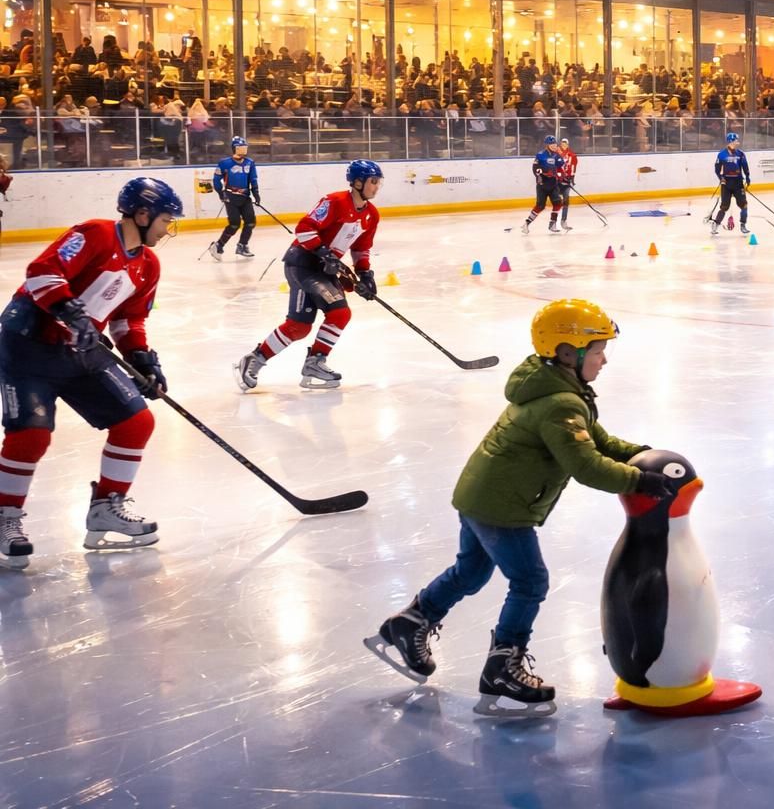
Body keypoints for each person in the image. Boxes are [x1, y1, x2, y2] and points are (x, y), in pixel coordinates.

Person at [365, 299, 669, 715]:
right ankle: (503, 666)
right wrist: (640, 480)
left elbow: (597, 439)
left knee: (470, 571)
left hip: (480, 496)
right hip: (502, 507)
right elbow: (586, 465)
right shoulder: (561, 403)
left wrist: (641, 454)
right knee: (530, 582)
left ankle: (410, 622)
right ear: (567, 351)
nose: (604, 360)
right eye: (598, 351)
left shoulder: (553, 386)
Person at [0, 178, 181, 569]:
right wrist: (70, 312)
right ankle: (5, 515)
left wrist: (142, 357)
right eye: (166, 220)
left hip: (81, 351)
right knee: (30, 436)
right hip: (29, 345)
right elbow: (42, 272)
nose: (169, 230)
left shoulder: (148, 265)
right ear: (142, 213)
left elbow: (129, 318)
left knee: (136, 422)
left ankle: (106, 508)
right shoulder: (96, 234)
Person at [235, 160, 383, 392]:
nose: (376, 187)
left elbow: (360, 248)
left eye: (378, 182)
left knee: (299, 326)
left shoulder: (372, 215)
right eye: (373, 181)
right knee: (339, 311)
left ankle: (259, 359)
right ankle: (313, 361)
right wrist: (322, 251)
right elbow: (304, 228)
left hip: (324, 269)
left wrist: (365, 273)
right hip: (303, 263)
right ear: (357, 182)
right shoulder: (334, 201)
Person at [209, 136, 259, 260]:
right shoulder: (224, 163)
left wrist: (256, 193)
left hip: (245, 196)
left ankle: (242, 245)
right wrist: (221, 193)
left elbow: (253, 179)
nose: (243, 150)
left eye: (244, 147)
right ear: (234, 149)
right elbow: (216, 179)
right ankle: (218, 245)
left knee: (251, 222)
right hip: (230, 197)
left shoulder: (250, 162)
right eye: (240, 147)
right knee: (234, 224)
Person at [520, 135, 566, 234]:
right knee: (540, 206)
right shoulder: (540, 155)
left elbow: (560, 168)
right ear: (547, 145)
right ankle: (526, 223)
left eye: (554, 143)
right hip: (542, 184)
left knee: (558, 203)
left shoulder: (557, 155)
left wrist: (562, 176)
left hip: (553, 184)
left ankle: (552, 223)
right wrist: (544, 172)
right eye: (551, 144)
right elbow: (535, 168)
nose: (554, 145)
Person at [710, 131, 750, 236]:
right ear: (731, 141)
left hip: (738, 183)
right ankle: (716, 224)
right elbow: (717, 170)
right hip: (726, 184)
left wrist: (748, 177)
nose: (738, 142)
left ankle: (743, 225)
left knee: (744, 205)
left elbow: (745, 167)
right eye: (736, 140)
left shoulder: (741, 154)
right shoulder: (721, 155)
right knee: (724, 207)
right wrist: (721, 178)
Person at [555, 137, 578, 232]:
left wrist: (572, 178)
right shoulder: (556, 154)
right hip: (557, 181)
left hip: (566, 182)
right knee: (556, 202)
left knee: (566, 201)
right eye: (562, 143)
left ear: (568, 145)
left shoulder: (572, 156)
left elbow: (573, 168)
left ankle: (563, 221)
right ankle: (553, 223)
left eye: (565, 143)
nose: (563, 145)